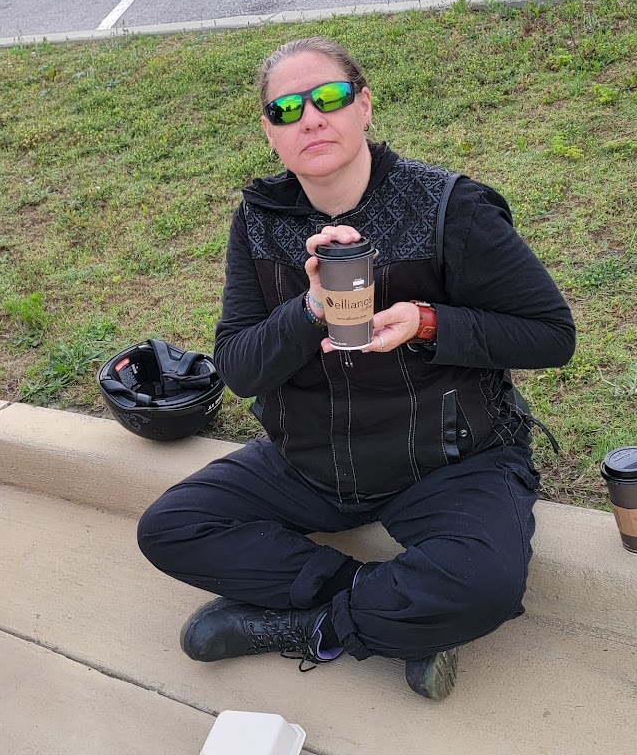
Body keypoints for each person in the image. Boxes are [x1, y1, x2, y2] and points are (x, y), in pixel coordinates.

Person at [135, 37, 574, 701]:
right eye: (286, 109)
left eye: (329, 98)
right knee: (170, 530)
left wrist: (428, 322)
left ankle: (307, 626)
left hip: (448, 460)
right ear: (270, 133)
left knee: (483, 584)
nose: (310, 119)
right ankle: (388, 608)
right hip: (312, 462)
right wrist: (309, 308)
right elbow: (240, 368)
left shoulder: (449, 207)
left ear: (363, 106)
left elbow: (550, 335)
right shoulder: (258, 221)